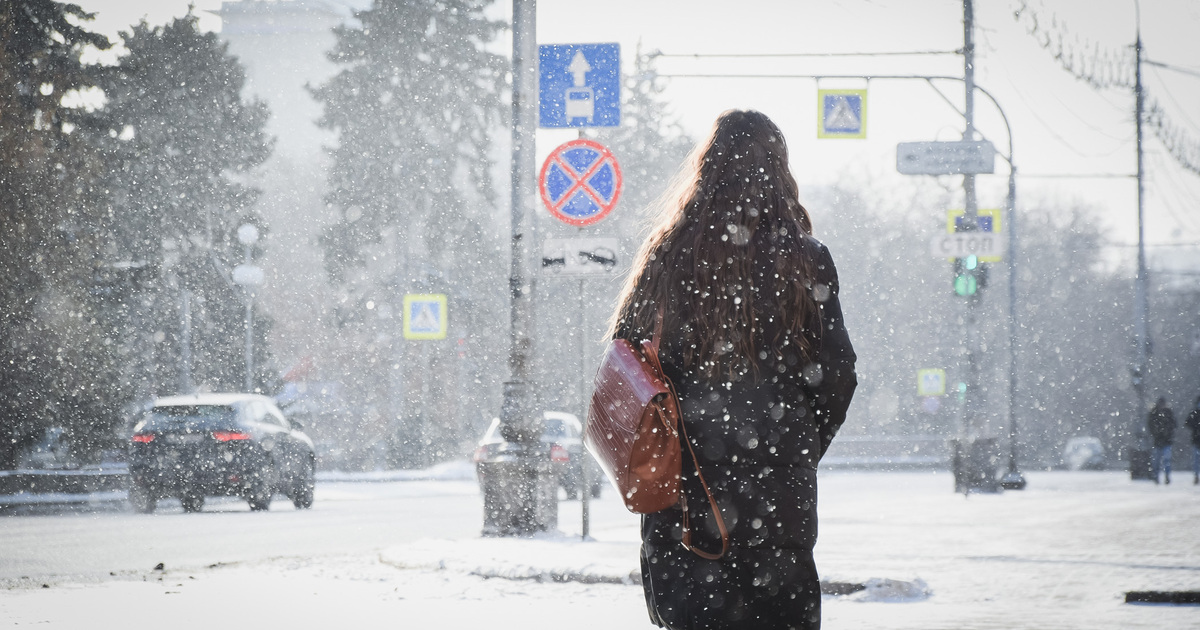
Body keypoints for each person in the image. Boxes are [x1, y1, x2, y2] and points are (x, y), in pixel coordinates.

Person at [608, 110, 857, 630]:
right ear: (779, 172)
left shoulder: (667, 255)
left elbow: (625, 364)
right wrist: (798, 442)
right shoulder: (806, 260)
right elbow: (838, 373)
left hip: (685, 492)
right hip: (779, 496)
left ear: (707, 169)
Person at [1147, 396, 1176, 485]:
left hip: (1165, 440)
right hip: (1159, 440)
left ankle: (1165, 476)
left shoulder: (1167, 413)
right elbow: (1150, 425)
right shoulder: (1154, 413)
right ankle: (1157, 476)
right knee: (1158, 460)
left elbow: (1173, 424)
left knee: (1165, 460)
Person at [1186, 396, 1200, 485]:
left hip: (1196, 439)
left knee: (1196, 460)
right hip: (1196, 439)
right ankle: (1196, 476)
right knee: (1196, 460)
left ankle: (1196, 476)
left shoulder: (1194, 413)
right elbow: (1187, 423)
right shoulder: (1194, 413)